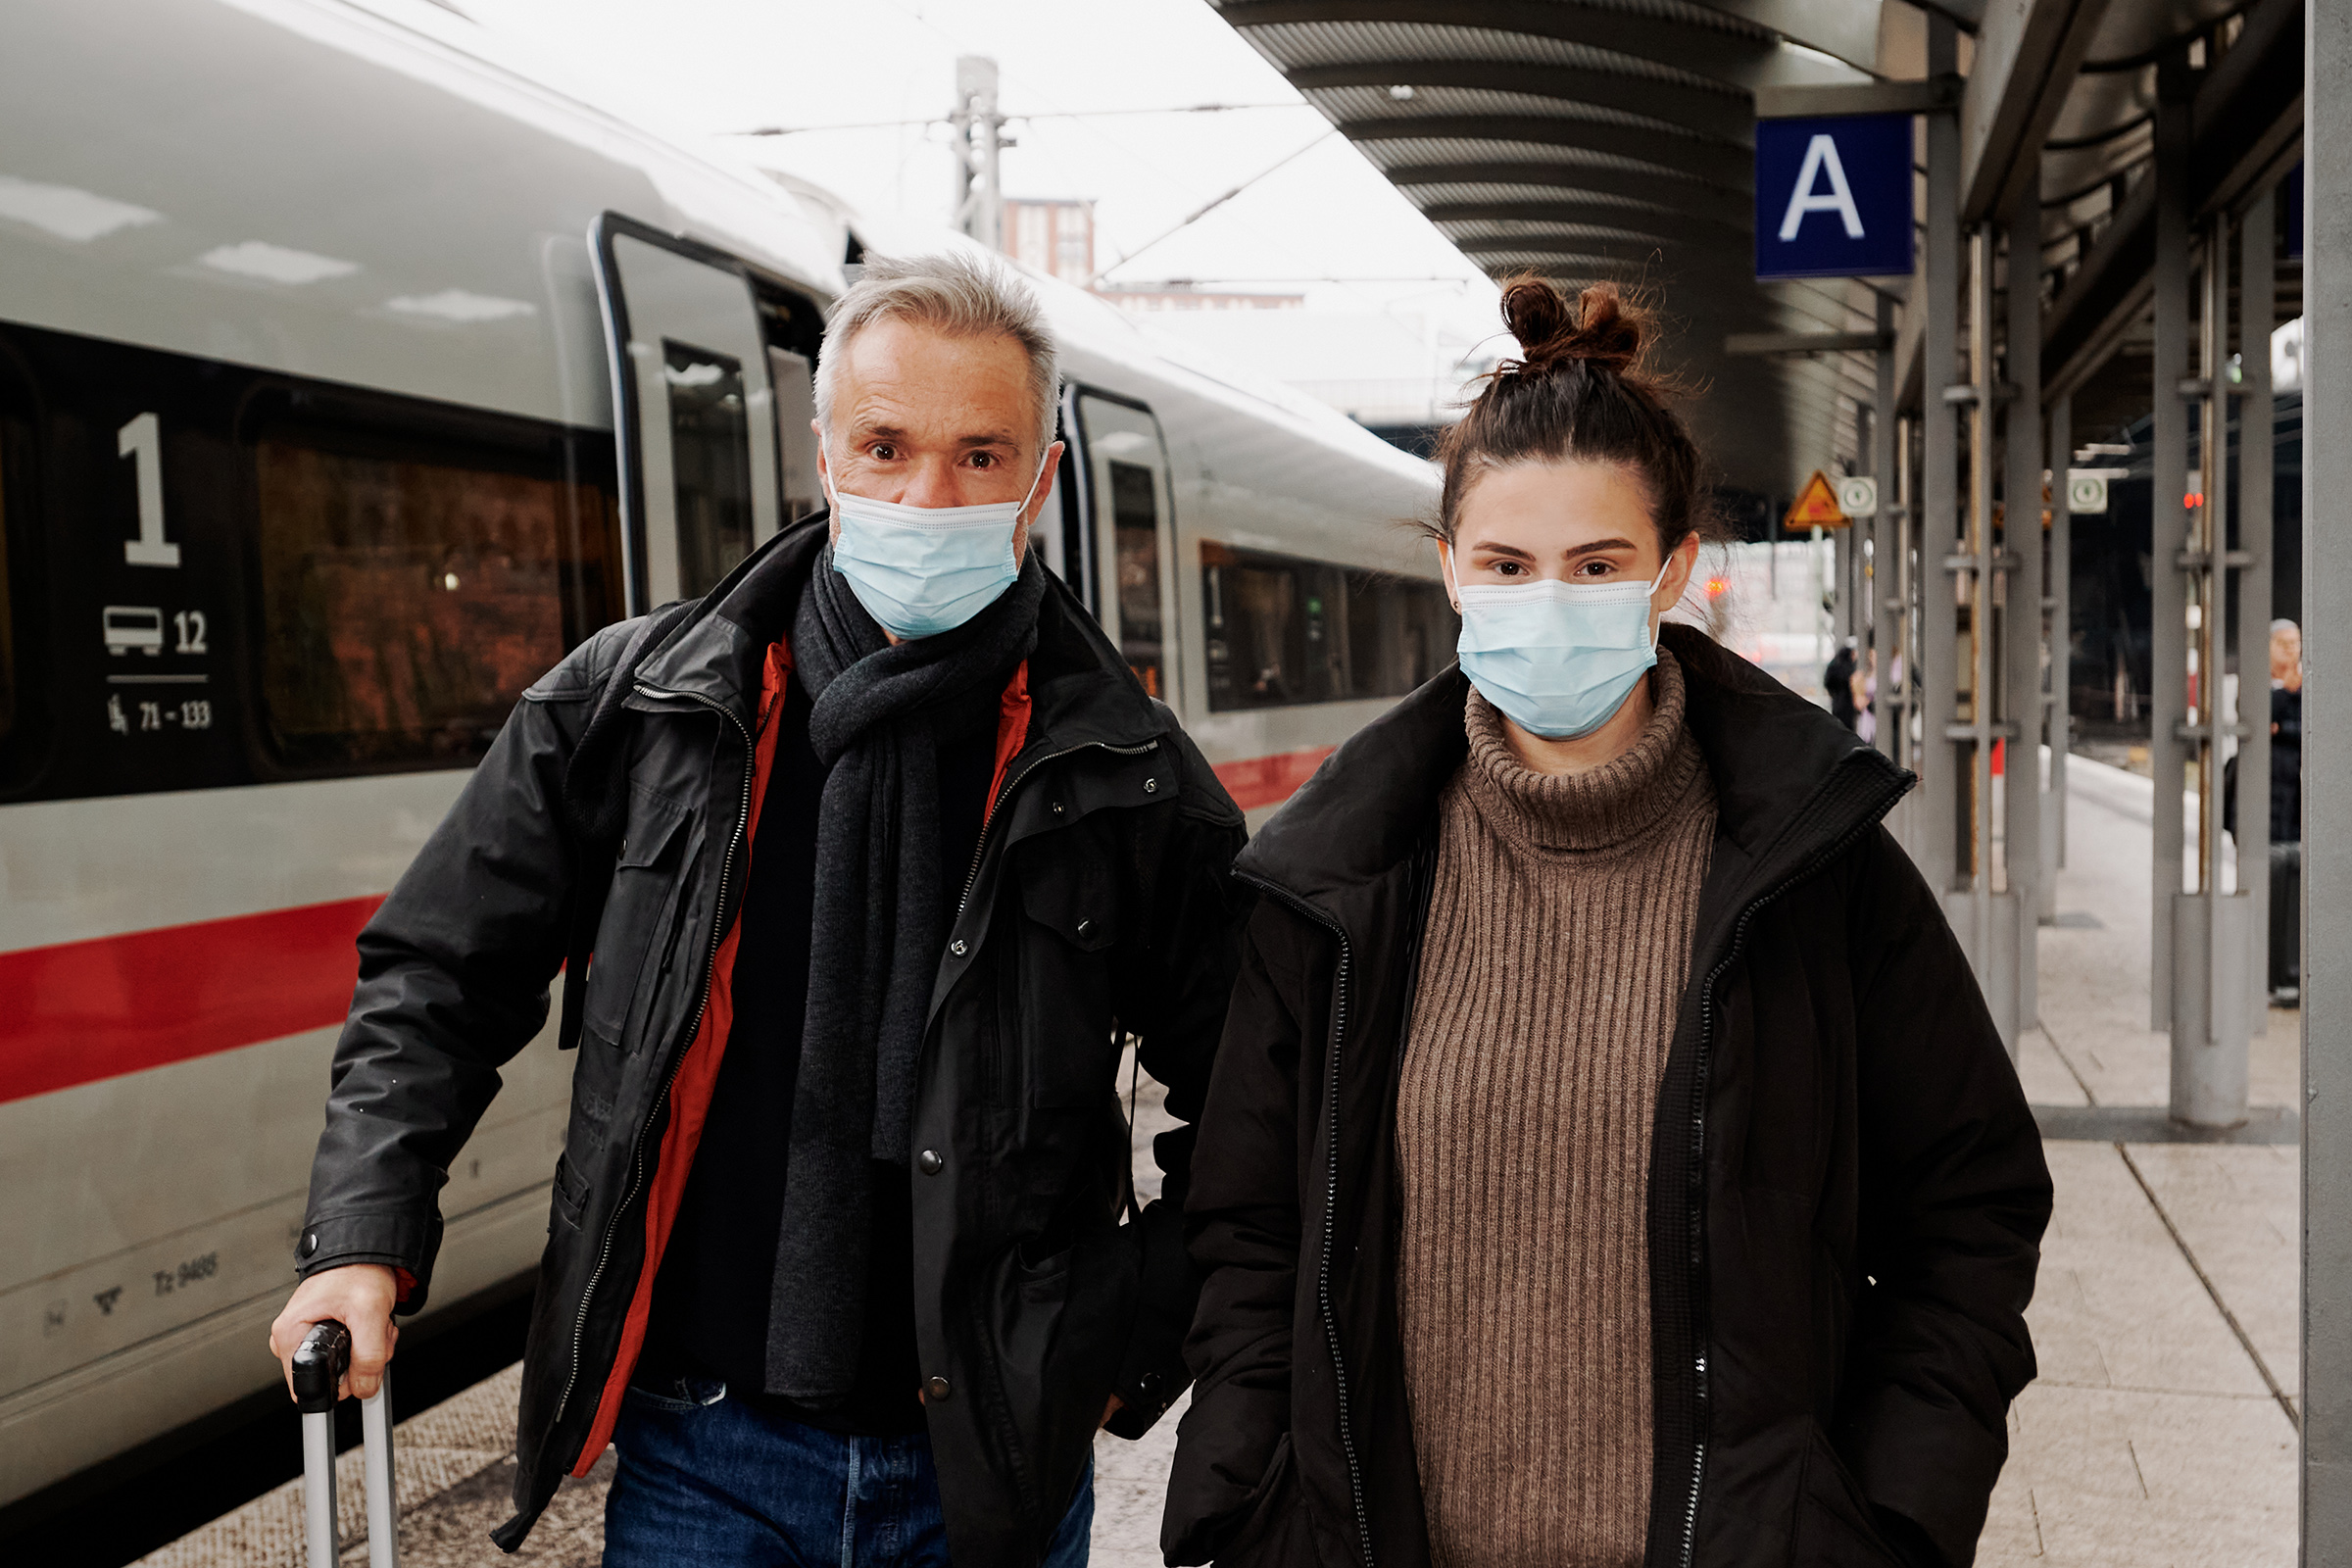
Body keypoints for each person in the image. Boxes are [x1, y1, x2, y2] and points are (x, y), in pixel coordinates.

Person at [270, 254, 1250, 1568]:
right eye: (886, 447)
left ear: (1042, 478)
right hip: (701, 1448)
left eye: (979, 456)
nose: (925, 497)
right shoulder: (639, 708)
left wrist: (1119, 1343)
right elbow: (438, 974)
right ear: (824, 454)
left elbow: (1258, 1091)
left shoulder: (1128, 772)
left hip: (992, 1466)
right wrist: (361, 1239)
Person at [1163, 279, 2052, 1568]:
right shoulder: (1338, 884)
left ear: (1672, 571)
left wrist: (1888, 1519)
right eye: (1507, 567)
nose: (1549, 601)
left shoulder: (1816, 872)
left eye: (1596, 566)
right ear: (1450, 572)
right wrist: (1246, 1499)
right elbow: (1248, 1227)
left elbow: (1969, 1208)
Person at [2271, 617, 2303, 1002]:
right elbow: (2262, 720)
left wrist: (2284, 729)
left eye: (2296, 643)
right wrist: (2286, 694)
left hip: (2294, 800)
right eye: (2283, 643)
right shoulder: (2263, 684)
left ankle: (2287, 968)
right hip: (2266, 799)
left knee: (2292, 880)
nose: (2291, 650)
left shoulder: (2306, 686)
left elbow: (2301, 729)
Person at [1826, 636, 1859, 730]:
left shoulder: (1834, 664)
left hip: (1838, 703)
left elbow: (1828, 682)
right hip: (1850, 706)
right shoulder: (1852, 668)